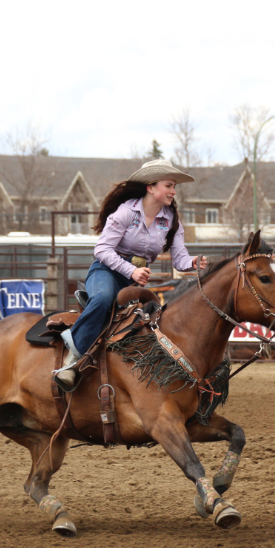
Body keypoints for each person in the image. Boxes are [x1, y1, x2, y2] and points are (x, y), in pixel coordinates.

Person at [54, 159, 208, 389]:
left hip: (133, 280)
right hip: (106, 271)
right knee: (103, 299)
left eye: (174, 186)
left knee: (150, 321)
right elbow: (102, 250)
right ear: (151, 186)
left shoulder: (171, 220)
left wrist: (192, 262)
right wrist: (132, 270)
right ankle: (71, 360)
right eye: (169, 185)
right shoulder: (125, 212)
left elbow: (179, 259)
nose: (173, 191)